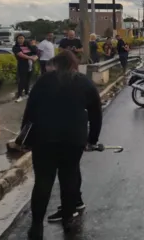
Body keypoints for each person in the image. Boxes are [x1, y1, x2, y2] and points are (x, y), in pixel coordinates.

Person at [22, 51, 102, 239]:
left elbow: (30, 110)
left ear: (55, 65)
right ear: (74, 65)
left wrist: (25, 138)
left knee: (43, 181)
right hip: (73, 139)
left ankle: (36, 226)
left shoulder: (43, 82)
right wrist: (92, 139)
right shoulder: (84, 82)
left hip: (44, 139)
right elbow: (96, 113)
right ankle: (68, 219)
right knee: (69, 178)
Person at [13, 34, 38, 102]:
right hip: (22, 66)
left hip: (30, 65)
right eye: (19, 38)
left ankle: (27, 94)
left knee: (28, 80)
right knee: (22, 81)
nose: (21, 39)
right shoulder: (15, 47)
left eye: (22, 38)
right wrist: (30, 57)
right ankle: (19, 95)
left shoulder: (28, 46)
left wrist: (35, 57)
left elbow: (36, 53)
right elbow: (20, 55)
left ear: (24, 39)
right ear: (17, 39)